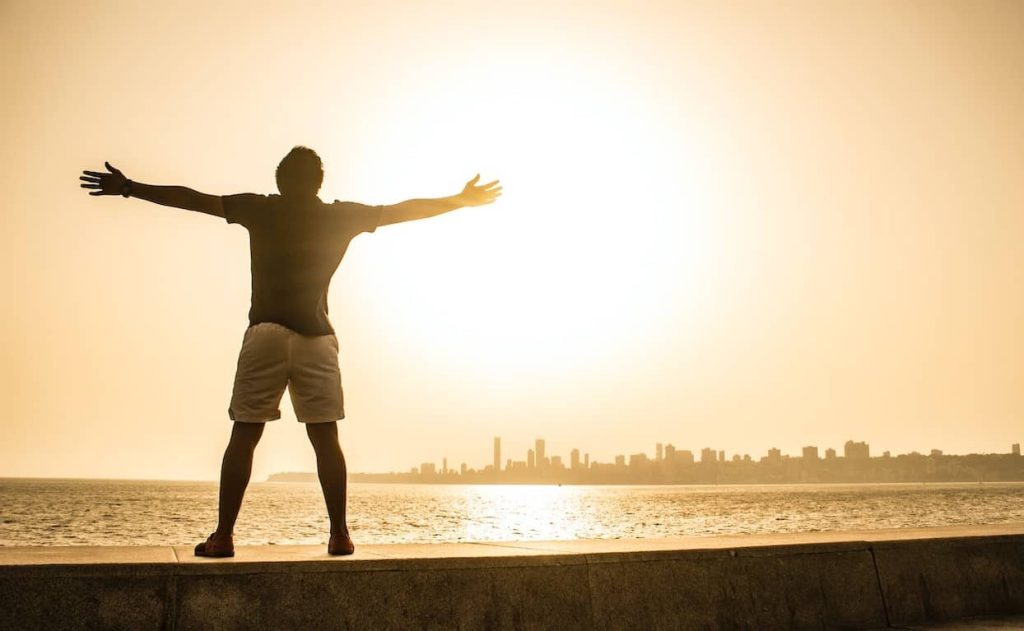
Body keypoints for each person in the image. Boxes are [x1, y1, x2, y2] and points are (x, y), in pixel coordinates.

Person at [80, 147, 501, 557]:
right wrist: (460, 200)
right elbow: (402, 210)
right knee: (325, 439)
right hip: (317, 340)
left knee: (245, 435)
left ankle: (223, 537)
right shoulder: (340, 216)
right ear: (320, 183)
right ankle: (339, 535)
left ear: (279, 182)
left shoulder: (261, 209)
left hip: (266, 332)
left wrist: (130, 187)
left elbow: (191, 199)